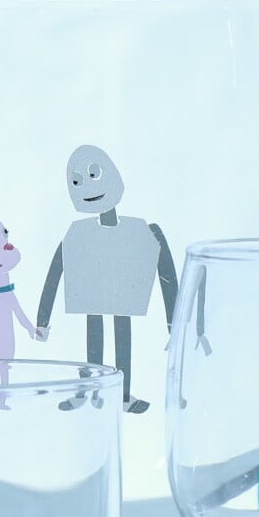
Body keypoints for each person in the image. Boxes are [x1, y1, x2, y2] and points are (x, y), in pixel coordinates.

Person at [31, 143, 177, 413]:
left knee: (121, 329)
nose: (87, 186)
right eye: (77, 181)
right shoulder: (77, 235)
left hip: (122, 297)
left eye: (94, 174)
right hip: (93, 297)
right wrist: (42, 321)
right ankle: (92, 390)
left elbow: (165, 271)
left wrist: (175, 322)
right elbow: (56, 270)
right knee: (95, 328)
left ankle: (121, 394)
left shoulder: (141, 233)